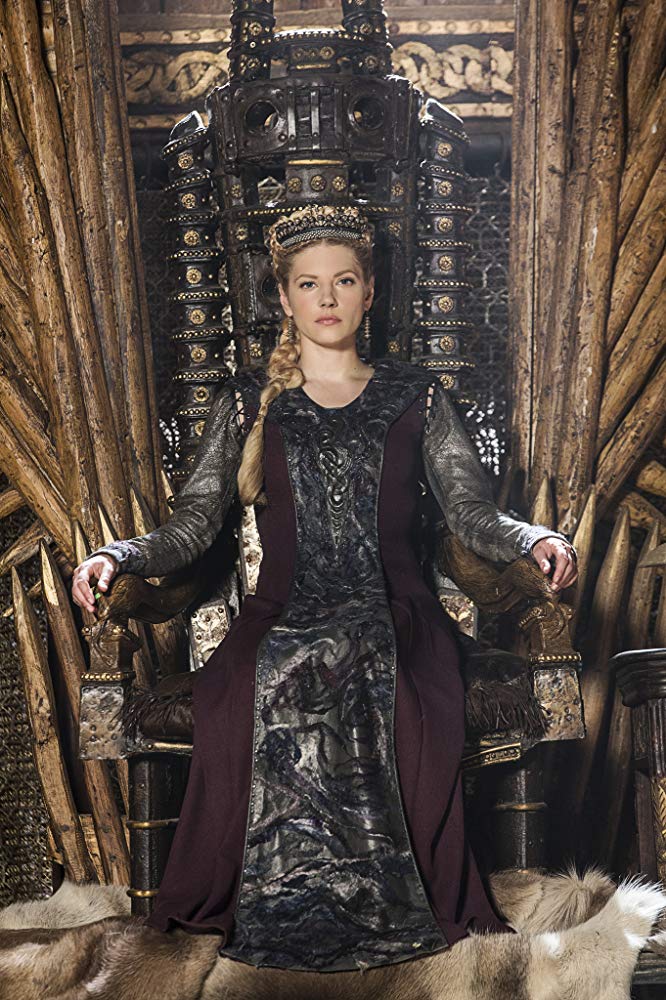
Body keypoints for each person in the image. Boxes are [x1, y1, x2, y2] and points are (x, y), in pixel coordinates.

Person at [72, 203, 578, 973]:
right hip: (281, 614)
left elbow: (472, 513)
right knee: (281, 661)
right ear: (285, 297)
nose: (328, 297)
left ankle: (381, 899)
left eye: (344, 281)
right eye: (310, 284)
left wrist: (534, 537)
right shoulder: (248, 401)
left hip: (396, 612)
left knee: (360, 651)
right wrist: (115, 555)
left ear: (369, 292)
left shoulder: (417, 396)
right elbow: (192, 526)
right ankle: (284, 899)